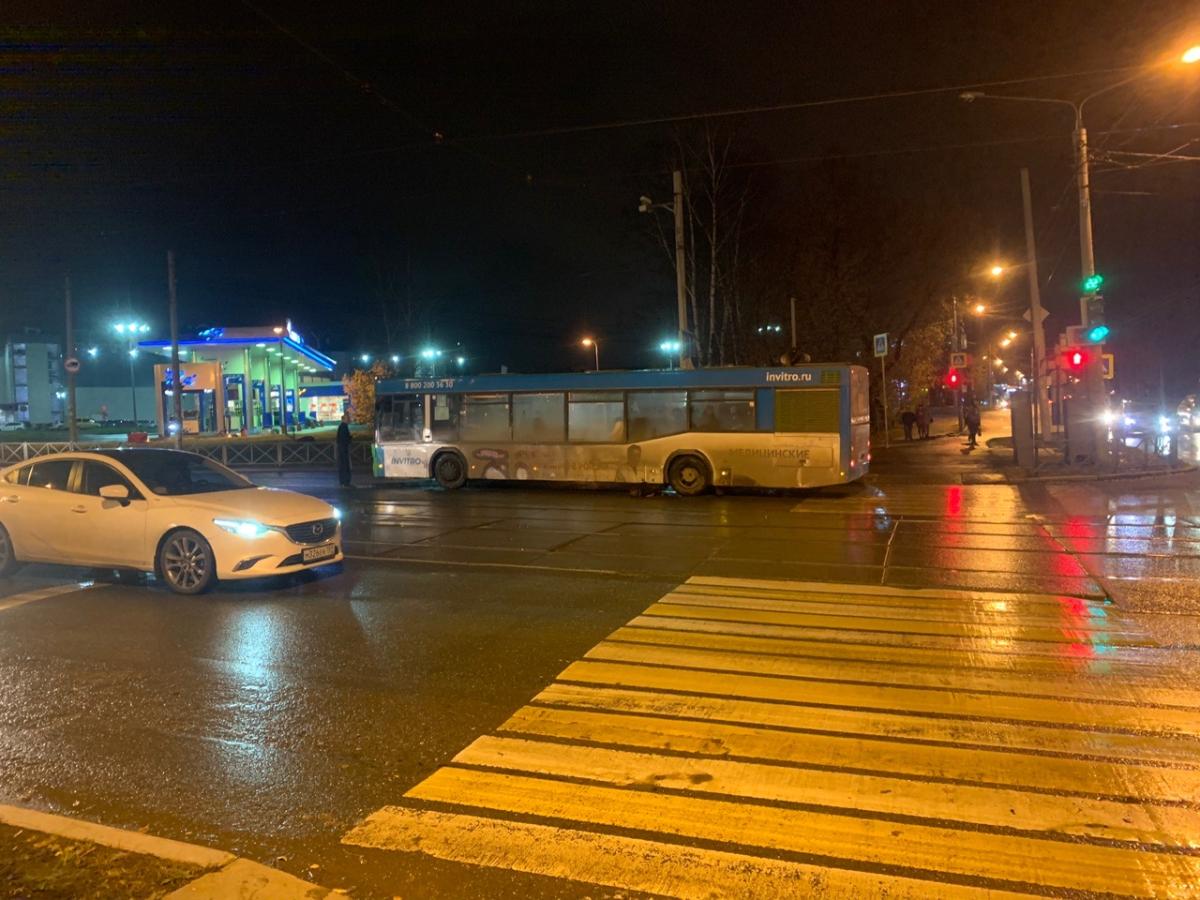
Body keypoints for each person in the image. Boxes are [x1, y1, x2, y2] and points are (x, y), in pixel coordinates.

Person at [336, 410, 353, 487]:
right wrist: (350, 438)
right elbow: (344, 439)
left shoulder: (342, 426)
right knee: (345, 465)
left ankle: (343, 481)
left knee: (343, 465)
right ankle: (345, 481)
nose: (348, 419)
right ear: (343, 419)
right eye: (347, 418)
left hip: (342, 448)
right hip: (343, 449)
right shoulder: (344, 427)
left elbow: (339, 438)